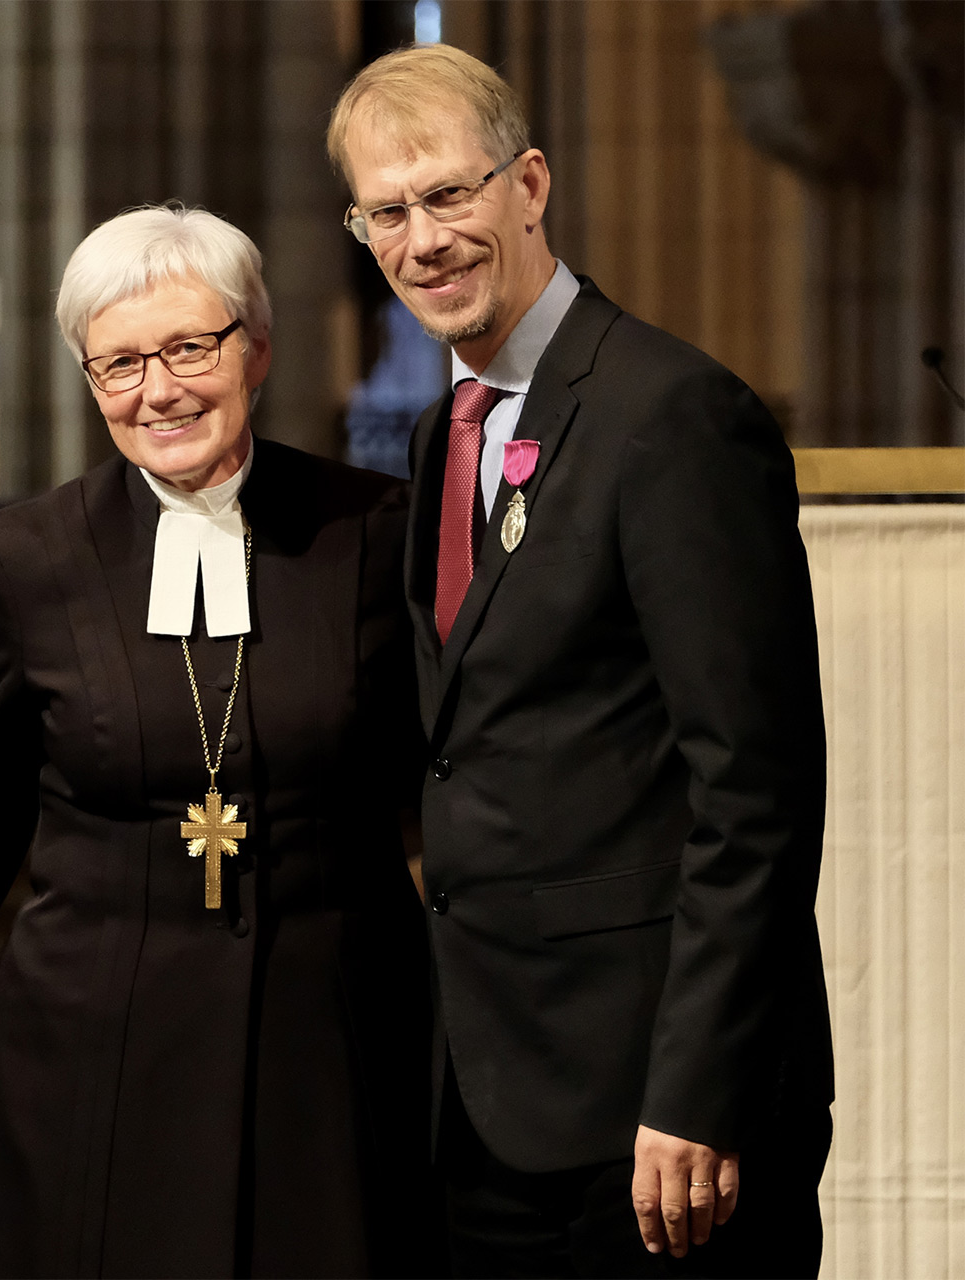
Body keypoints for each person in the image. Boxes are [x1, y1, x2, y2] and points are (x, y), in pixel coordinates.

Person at [0, 206, 435, 1278]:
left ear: (255, 348)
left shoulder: (371, 528)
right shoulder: (31, 555)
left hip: (330, 1044)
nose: (158, 390)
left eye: (189, 348)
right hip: (93, 1046)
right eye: (118, 363)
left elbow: (452, 784)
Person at [326, 45, 834, 1278]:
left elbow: (756, 792)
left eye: (450, 193)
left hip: (656, 1121)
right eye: (387, 212)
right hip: (495, 1097)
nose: (424, 238)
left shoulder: (672, 416)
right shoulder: (443, 426)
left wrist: (701, 1090)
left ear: (531, 183)